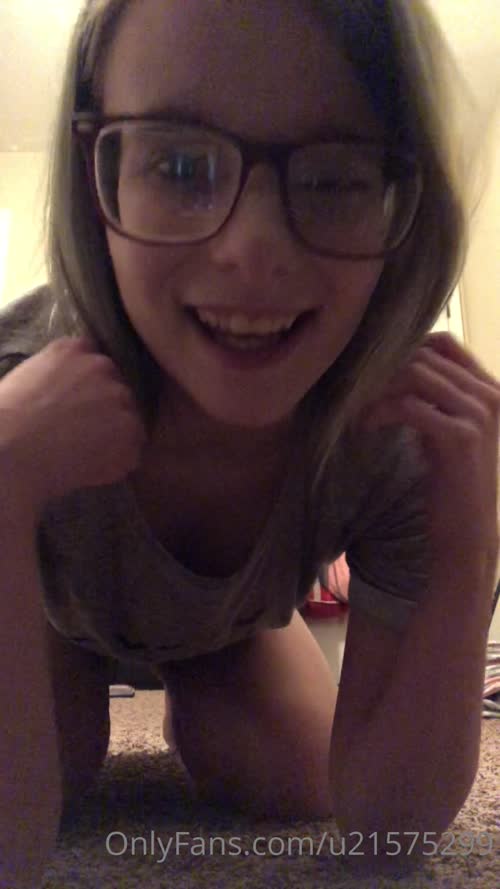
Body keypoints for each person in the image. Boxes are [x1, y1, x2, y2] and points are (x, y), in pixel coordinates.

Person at [1, 0, 499, 883]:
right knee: (57, 765)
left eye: (335, 179)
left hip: (226, 634)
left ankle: (195, 686)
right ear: (95, 179)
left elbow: (387, 833)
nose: (252, 251)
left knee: (298, 776)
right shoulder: (20, 389)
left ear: (406, 199)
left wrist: (469, 546)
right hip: (48, 608)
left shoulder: (388, 433)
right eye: (179, 165)